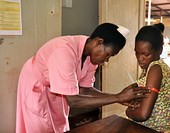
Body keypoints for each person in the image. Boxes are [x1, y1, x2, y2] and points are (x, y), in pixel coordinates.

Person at [16, 23, 150, 133]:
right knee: (38, 127)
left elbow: (85, 90)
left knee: (58, 126)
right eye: (108, 55)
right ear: (99, 42)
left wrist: (118, 96)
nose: (106, 60)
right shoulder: (64, 52)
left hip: (56, 90)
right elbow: (73, 101)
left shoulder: (91, 57)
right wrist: (117, 98)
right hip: (36, 85)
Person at [125, 26, 170, 132]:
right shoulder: (153, 67)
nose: (140, 58)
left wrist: (128, 112)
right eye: (137, 53)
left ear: (159, 51)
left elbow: (143, 114)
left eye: (146, 54)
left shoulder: (155, 68)